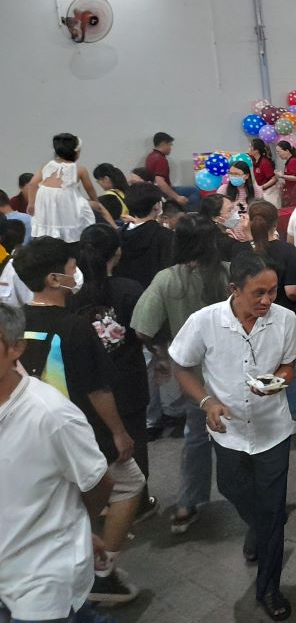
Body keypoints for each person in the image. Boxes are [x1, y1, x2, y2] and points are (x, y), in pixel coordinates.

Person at [169, 252, 296, 621]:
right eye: (258, 293)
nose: (267, 301)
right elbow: (181, 365)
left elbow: (288, 365)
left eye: (273, 292)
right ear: (234, 289)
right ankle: (261, 528)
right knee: (231, 488)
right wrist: (207, 401)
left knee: (273, 510)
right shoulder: (205, 322)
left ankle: (269, 589)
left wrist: (279, 382)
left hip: (272, 430)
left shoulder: (285, 320)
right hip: (228, 432)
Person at [14, 237, 144, 605]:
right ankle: (103, 571)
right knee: (130, 485)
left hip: (30, 433)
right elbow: (97, 388)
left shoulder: (13, 320)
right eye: (73, 269)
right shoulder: (74, 327)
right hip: (80, 432)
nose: (79, 274)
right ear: (54, 279)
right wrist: (119, 433)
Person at [0, 304, 117, 623]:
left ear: (16, 348)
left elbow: (99, 482)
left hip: (42, 578)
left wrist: (75, 526)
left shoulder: (51, 415)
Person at [131, 216, 230, 536]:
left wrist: (163, 356)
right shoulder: (228, 273)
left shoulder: (167, 279)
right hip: (233, 367)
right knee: (244, 436)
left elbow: (141, 328)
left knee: (196, 438)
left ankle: (188, 503)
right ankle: (251, 499)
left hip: (191, 375)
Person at [76, 224, 157, 520]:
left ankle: (103, 502)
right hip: (128, 379)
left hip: (87, 384)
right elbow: (143, 332)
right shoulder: (129, 289)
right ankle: (136, 504)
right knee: (134, 442)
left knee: (97, 444)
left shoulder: (73, 295)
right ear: (118, 252)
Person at [27, 133, 113, 241]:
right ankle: (113, 229)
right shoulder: (79, 169)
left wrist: (31, 204)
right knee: (93, 210)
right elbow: (90, 189)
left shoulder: (47, 166)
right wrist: (95, 201)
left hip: (46, 205)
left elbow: (32, 184)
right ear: (76, 153)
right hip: (68, 205)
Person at [240, 201, 296, 311]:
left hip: (250, 311)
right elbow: (292, 292)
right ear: (276, 224)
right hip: (281, 311)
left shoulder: (241, 249)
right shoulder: (287, 250)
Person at [117, 182, 175, 289]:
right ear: (157, 207)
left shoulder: (117, 235)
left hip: (124, 295)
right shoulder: (165, 236)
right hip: (155, 295)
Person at [145, 132, 201, 209]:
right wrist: (177, 197)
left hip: (156, 191)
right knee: (194, 190)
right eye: (170, 145)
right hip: (162, 193)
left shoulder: (150, 156)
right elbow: (160, 182)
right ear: (163, 144)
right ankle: (192, 215)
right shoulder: (161, 159)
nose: (171, 148)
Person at [250, 138, 281, 208]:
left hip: (270, 192)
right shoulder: (254, 160)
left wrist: (262, 187)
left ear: (256, 150)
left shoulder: (265, 162)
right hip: (262, 191)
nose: (249, 148)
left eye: (251, 147)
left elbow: (274, 179)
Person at [276, 141, 296, 208]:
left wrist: (282, 176)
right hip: (292, 194)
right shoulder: (289, 161)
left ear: (287, 150)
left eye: (279, 151)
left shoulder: (293, 161)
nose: (278, 154)